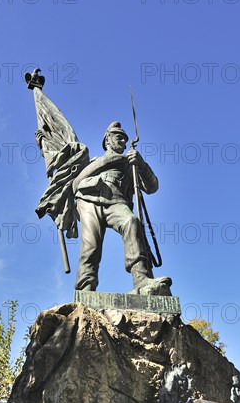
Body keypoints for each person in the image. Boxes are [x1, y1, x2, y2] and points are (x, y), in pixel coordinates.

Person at [72, 121, 172, 294]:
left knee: (131, 221)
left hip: (117, 202)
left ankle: (141, 279)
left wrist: (141, 164)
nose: (124, 142)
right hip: (89, 200)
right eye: (119, 137)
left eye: (125, 139)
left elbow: (152, 187)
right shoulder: (95, 161)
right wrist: (108, 161)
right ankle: (85, 288)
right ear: (107, 140)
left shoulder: (130, 163)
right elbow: (75, 184)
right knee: (91, 245)